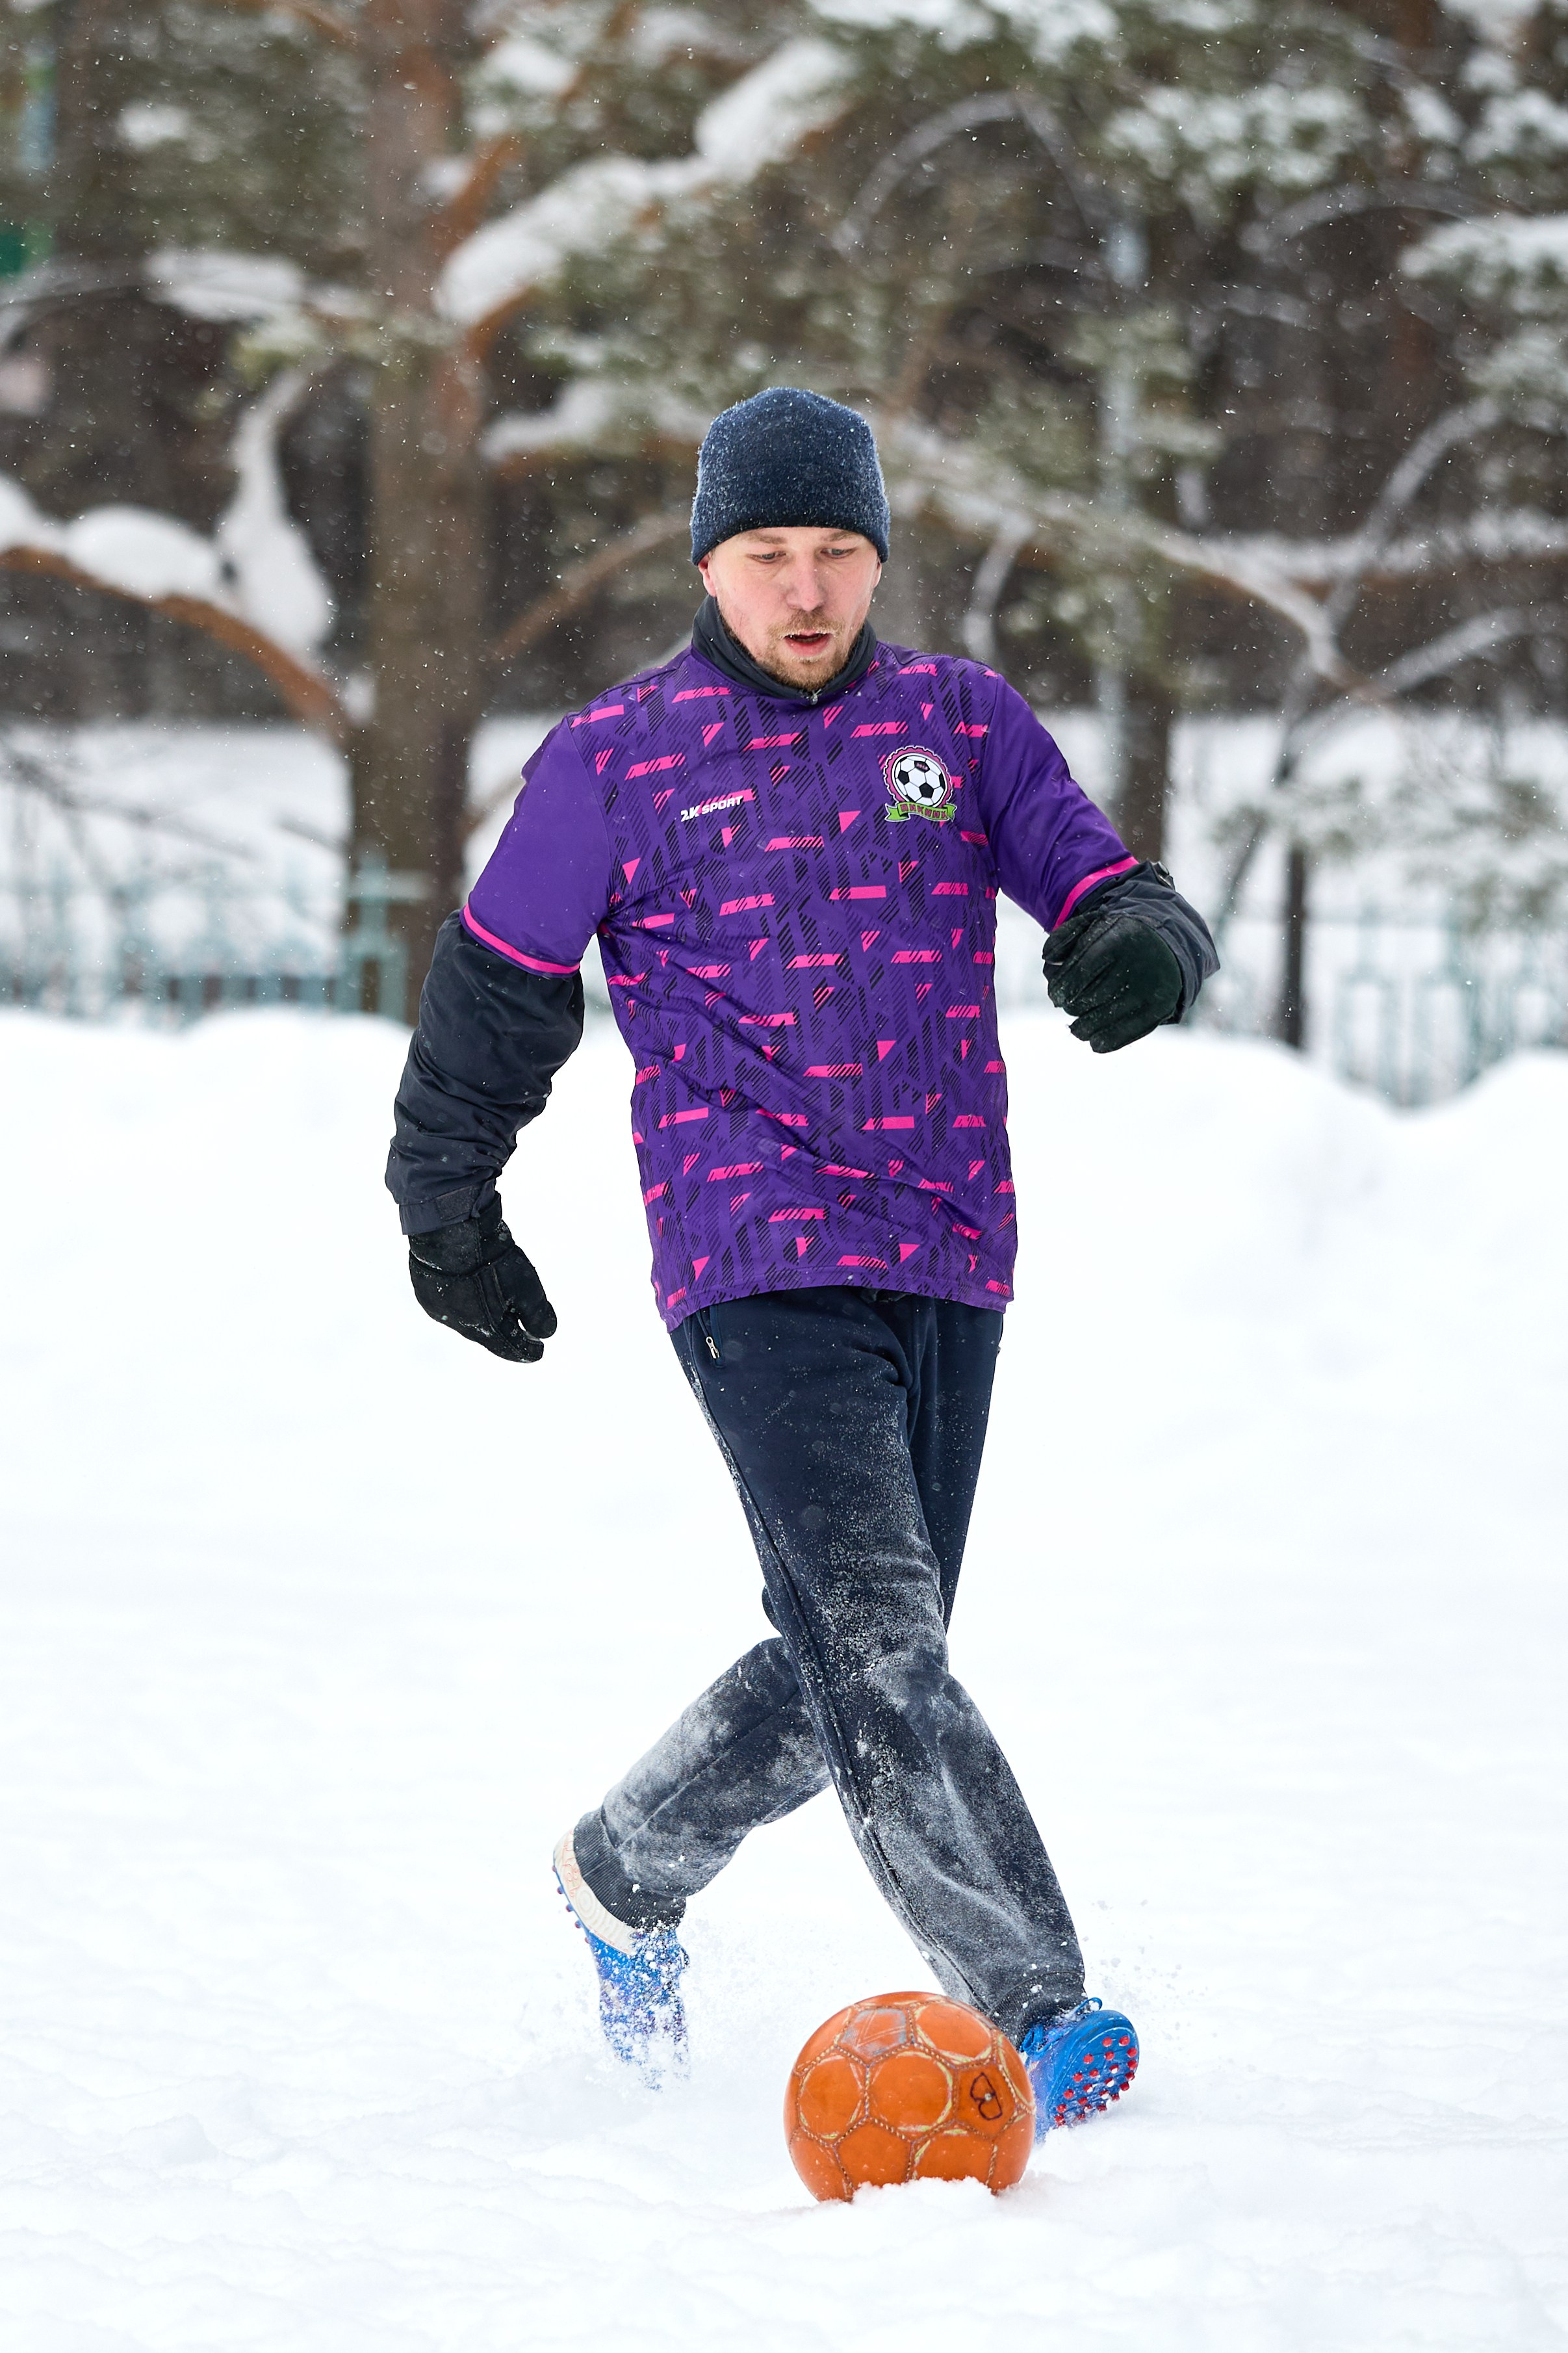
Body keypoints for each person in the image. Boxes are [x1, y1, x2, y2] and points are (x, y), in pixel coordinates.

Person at [387, 387, 1216, 2137]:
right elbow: (495, 986)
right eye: (770, 555)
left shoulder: (960, 725)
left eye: (839, 551)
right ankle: (1037, 2006)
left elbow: (1103, 877)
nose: (808, 588)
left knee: (855, 1652)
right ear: (712, 564)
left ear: (877, 559)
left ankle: (624, 1865)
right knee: (881, 1634)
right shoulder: (615, 758)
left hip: (948, 1243)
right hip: (749, 1243)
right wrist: (444, 1198)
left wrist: (1140, 943)